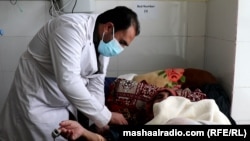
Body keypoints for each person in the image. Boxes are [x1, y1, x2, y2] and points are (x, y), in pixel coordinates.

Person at [0, 6, 140, 141]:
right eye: (121, 42)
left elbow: (96, 81)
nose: (120, 48)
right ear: (109, 27)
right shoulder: (69, 28)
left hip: (60, 102)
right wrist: (107, 116)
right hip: (35, 99)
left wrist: (99, 121)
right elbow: (68, 81)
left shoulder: (104, 41)